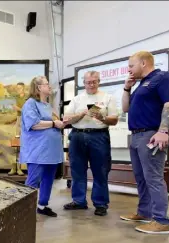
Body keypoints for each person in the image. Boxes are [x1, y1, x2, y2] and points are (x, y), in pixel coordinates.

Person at [120, 51, 169, 234]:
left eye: (131, 65)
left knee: (154, 178)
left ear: (143, 63)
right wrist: (127, 89)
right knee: (141, 178)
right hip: (136, 136)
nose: (128, 69)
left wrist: (163, 130)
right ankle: (144, 213)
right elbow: (125, 108)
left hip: (151, 134)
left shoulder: (162, 78)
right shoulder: (140, 85)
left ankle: (161, 221)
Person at [63, 71, 119, 216]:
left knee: (100, 171)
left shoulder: (108, 98)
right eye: (88, 82)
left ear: (99, 81)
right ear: (84, 83)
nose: (91, 85)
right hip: (77, 136)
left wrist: (102, 117)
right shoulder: (77, 99)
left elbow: (114, 120)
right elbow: (67, 119)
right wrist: (80, 114)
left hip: (99, 136)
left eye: (94, 81)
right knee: (77, 170)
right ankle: (79, 201)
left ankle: (100, 204)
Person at [20, 76, 64, 217]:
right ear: (39, 88)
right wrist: (53, 124)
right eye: (47, 84)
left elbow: (55, 121)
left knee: (48, 178)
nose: (50, 86)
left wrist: (61, 122)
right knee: (33, 180)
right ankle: (25, 210)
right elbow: (33, 124)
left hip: (51, 151)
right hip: (38, 150)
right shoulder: (30, 104)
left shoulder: (47, 105)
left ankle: (42, 205)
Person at [8, 82, 26, 176]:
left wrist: (18, 108)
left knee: (24, 144)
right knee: (16, 144)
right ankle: (15, 167)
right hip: (19, 120)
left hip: (27, 121)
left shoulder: (28, 99)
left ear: (23, 88)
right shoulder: (15, 98)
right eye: (17, 88)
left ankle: (20, 167)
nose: (19, 90)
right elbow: (12, 109)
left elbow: (27, 111)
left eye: (20, 88)